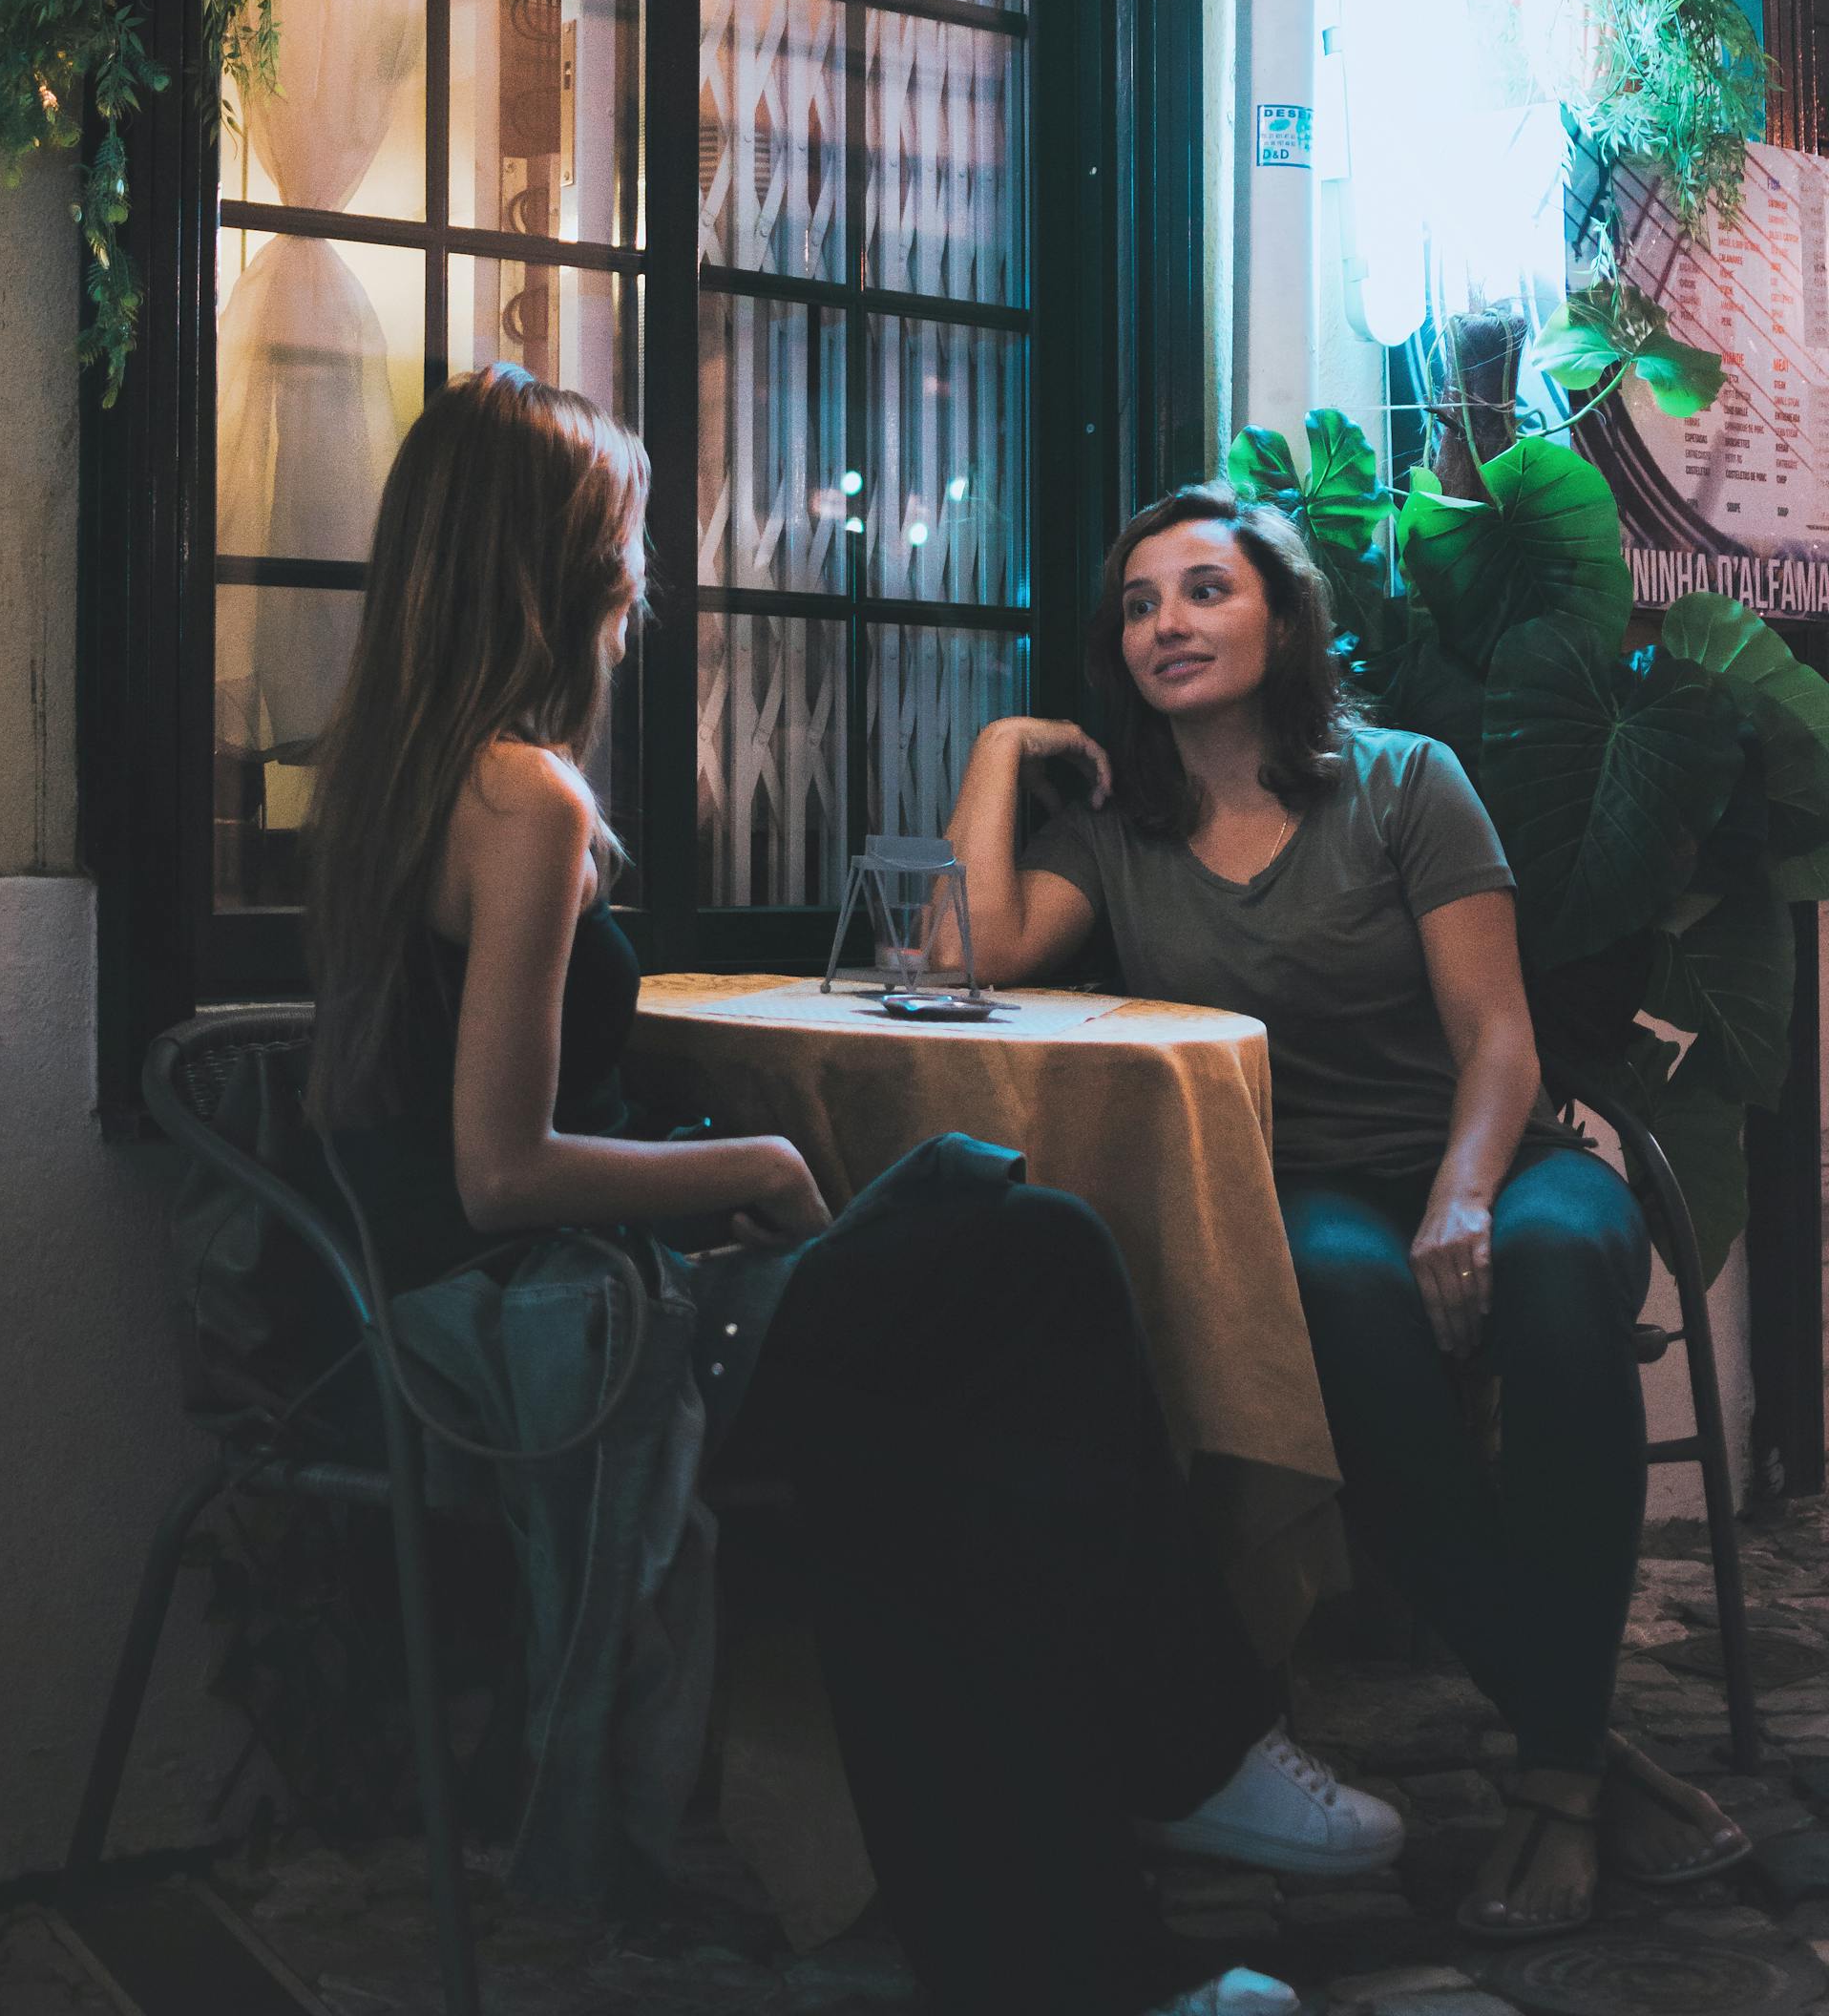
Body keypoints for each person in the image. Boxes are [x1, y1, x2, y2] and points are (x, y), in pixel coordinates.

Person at [301, 368, 1390, 2016]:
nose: (642, 575)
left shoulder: (401, 773)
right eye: (626, 537)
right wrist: (756, 1161)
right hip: (544, 1338)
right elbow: (499, 1169)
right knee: (1030, 1256)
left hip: (447, 1310)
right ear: (558, 562)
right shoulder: (527, 796)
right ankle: (1187, 1755)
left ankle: (1076, 1946)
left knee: (947, 1428)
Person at [946, 482, 1754, 1944]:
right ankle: (1581, 1760)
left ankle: (1556, 1772)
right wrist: (1003, 754)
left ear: (1282, 612)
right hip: (1304, 1184)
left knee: (1568, 1269)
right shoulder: (1121, 829)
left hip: (1496, 1149)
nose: (1167, 624)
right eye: (1138, 604)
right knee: (1341, 1306)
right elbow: (972, 958)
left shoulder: (1404, 780)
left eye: (1204, 590)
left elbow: (1498, 1038)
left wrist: (1462, 1195)